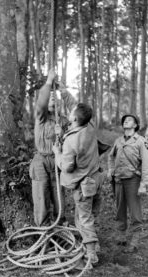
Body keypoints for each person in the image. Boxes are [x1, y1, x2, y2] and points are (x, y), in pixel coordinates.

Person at [53, 103, 103, 265]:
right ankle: (95, 246)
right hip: (95, 181)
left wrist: (57, 153)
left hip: (83, 186)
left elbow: (67, 166)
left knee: (84, 219)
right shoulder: (89, 128)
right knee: (87, 216)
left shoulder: (72, 140)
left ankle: (91, 255)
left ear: (74, 118)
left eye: (71, 111)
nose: (69, 112)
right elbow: (83, 113)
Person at [29, 69, 76, 226]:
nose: (52, 100)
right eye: (49, 98)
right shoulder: (41, 118)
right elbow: (41, 104)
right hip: (41, 161)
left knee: (59, 196)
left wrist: (63, 90)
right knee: (41, 196)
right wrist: (49, 82)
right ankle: (43, 231)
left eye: (54, 98)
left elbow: (77, 112)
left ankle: (60, 226)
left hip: (57, 160)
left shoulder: (62, 121)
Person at [108, 114, 148, 253]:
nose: (125, 121)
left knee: (135, 212)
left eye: (129, 120)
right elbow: (111, 156)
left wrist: (144, 184)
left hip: (133, 180)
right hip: (119, 180)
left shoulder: (141, 141)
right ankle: (121, 236)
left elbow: (147, 163)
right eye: (124, 120)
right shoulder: (118, 140)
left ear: (135, 125)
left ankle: (135, 240)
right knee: (119, 209)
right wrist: (111, 170)